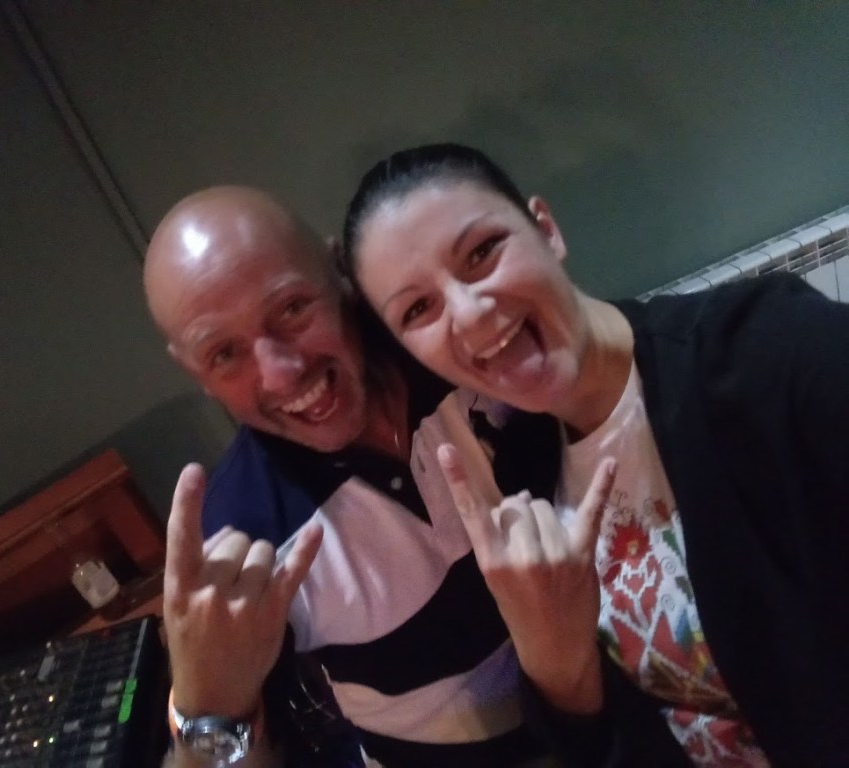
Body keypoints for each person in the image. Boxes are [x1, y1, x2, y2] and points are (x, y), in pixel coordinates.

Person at [339, 142, 849, 767]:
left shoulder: (771, 353)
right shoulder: (523, 474)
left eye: (482, 252)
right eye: (418, 308)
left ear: (546, 230)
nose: (469, 316)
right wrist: (552, 658)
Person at [143, 186, 598, 766]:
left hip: (615, 694)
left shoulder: (459, 346)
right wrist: (209, 703)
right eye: (224, 354)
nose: (281, 374)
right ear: (195, 373)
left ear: (342, 272)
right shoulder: (245, 532)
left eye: (291, 309)